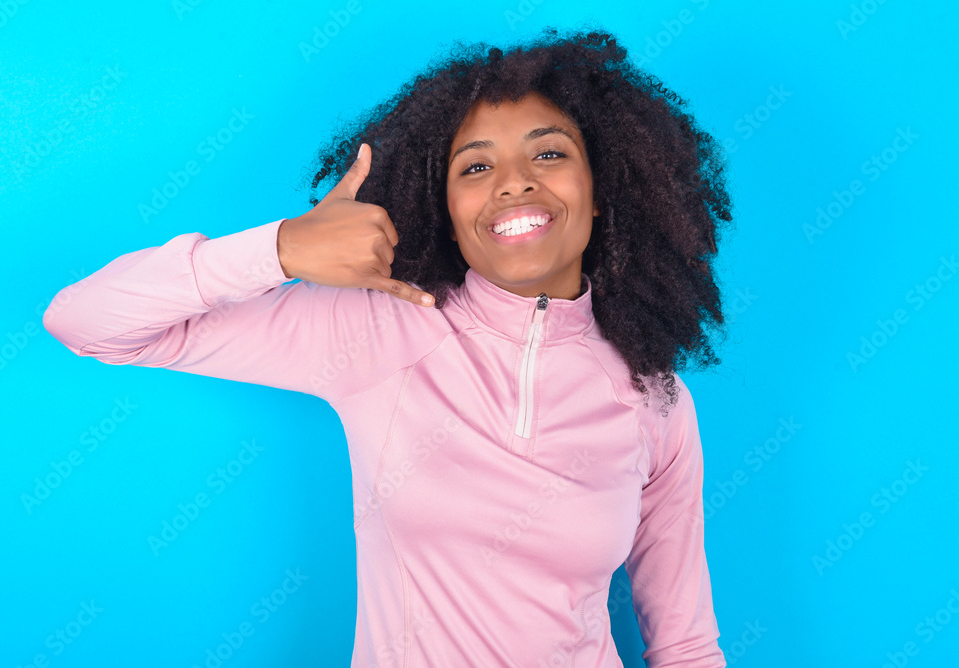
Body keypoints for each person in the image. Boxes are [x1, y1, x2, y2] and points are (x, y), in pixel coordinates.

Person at [44, 27, 733, 667]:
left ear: (602, 191)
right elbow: (84, 321)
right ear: (448, 214)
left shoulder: (655, 397)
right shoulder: (378, 331)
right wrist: (281, 248)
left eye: (549, 153)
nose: (514, 182)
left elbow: (686, 641)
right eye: (474, 168)